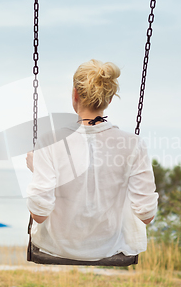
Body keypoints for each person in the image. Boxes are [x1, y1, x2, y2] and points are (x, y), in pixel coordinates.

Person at [25, 59, 158, 261]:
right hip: (109, 246)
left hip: (56, 246)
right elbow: (146, 216)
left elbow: (39, 215)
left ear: (75, 94)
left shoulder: (49, 142)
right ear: (110, 99)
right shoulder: (133, 144)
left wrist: (38, 169)